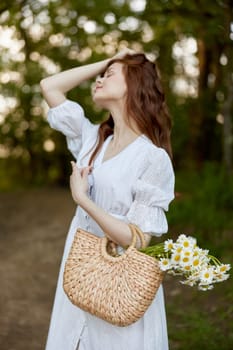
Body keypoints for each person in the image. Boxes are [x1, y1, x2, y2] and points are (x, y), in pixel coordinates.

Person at [40, 48, 175, 350]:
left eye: (109, 75)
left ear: (135, 84)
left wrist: (83, 199)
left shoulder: (152, 158)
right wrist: (109, 61)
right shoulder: (93, 140)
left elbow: (138, 240)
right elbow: (50, 85)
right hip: (79, 273)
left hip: (119, 284)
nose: (99, 80)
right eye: (102, 74)